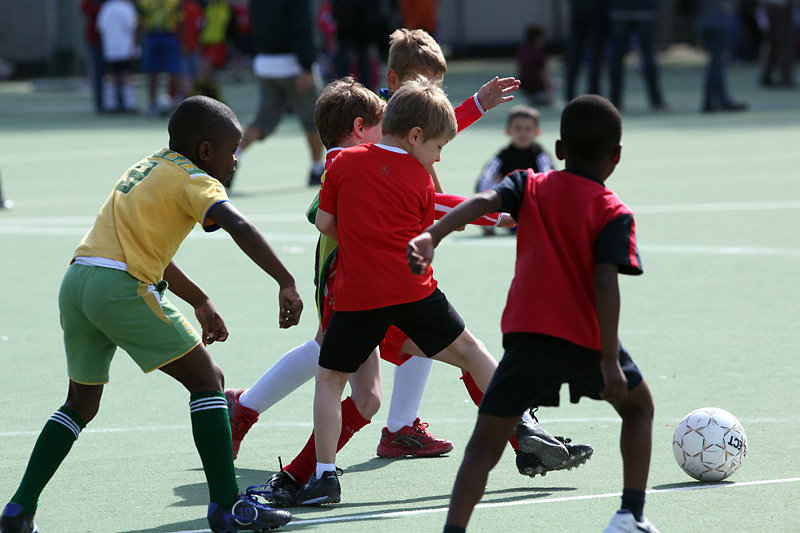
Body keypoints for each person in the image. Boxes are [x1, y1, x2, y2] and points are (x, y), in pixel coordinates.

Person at [0, 96, 303, 533]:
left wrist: (199, 298)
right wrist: (285, 280)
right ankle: (227, 507)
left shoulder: (146, 167)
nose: (235, 159)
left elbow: (146, 248)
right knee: (208, 380)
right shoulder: (197, 180)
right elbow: (239, 225)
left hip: (78, 282)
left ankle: (18, 511)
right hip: (119, 288)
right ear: (204, 151)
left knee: (80, 403)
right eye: (231, 150)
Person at [292, 78, 560, 506]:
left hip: (356, 295)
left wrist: (359, 237)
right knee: (470, 351)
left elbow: (324, 222)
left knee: (330, 380)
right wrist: (501, 216)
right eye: (438, 147)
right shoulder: (416, 176)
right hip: (411, 289)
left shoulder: (342, 164)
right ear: (414, 136)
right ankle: (521, 422)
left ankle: (324, 475)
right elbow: (436, 213)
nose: (438, 156)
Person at [407, 94, 657, 533]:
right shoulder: (613, 212)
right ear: (616, 156)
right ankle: (629, 516)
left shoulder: (530, 184)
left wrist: (435, 233)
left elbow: (485, 200)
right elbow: (605, 282)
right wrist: (608, 360)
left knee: (483, 447)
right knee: (638, 410)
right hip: (586, 340)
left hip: (528, 340)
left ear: (558, 149)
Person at [236, 0, 325, 189]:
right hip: (294, 66)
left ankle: (234, 156)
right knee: (315, 119)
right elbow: (302, 27)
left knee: (262, 120)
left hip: (266, 64)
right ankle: (317, 169)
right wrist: (307, 65)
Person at [475, 104, 553, 236]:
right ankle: (489, 223)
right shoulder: (502, 156)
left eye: (528, 129)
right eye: (518, 128)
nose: (523, 133)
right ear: (508, 131)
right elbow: (484, 181)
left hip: (534, 207)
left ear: (536, 132)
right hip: (509, 211)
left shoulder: (540, 155)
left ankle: (543, 223)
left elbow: (549, 180)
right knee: (489, 185)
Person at [608, 0, 667, 111]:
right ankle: (656, 101)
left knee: (617, 58)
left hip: (620, 9)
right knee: (648, 56)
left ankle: (615, 101)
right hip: (643, 9)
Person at [695, 0, 748, 111]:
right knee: (716, 63)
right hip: (718, 20)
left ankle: (720, 99)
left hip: (707, 20)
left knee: (717, 62)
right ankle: (711, 101)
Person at [137, 0, 184, 117]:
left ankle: (181, 103)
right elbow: (140, 23)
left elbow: (180, 22)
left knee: (175, 70)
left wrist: (182, 42)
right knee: (152, 72)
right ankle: (152, 104)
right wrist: (137, 43)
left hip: (169, 35)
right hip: (152, 36)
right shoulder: (144, 2)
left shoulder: (174, 2)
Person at [96, 0, 139, 114]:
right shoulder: (127, 7)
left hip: (110, 49)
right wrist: (134, 47)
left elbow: (101, 27)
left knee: (111, 76)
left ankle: (111, 105)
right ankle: (128, 104)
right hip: (125, 48)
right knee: (126, 76)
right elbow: (132, 27)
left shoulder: (106, 7)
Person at [564, 0, 610, 101]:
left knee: (574, 54)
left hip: (578, 7)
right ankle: (593, 92)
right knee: (595, 55)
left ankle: (569, 92)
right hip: (596, 9)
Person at [758, 0, 796, 88]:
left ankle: (768, 75)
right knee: (785, 43)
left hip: (771, 7)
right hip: (781, 7)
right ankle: (785, 77)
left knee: (775, 43)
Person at [517, 25, 554, 106]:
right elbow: (544, 75)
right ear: (537, 39)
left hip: (523, 86)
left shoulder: (522, 51)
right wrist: (549, 97)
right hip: (535, 87)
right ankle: (540, 99)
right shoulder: (539, 54)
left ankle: (535, 98)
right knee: (557, 84)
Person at [80, 0, 106, 114]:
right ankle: (100, 104)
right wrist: (105, 9)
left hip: (113, 40)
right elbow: (84, 8)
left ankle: (117, 103)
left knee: (116, 72)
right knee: (98, 73)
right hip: (95, 40)